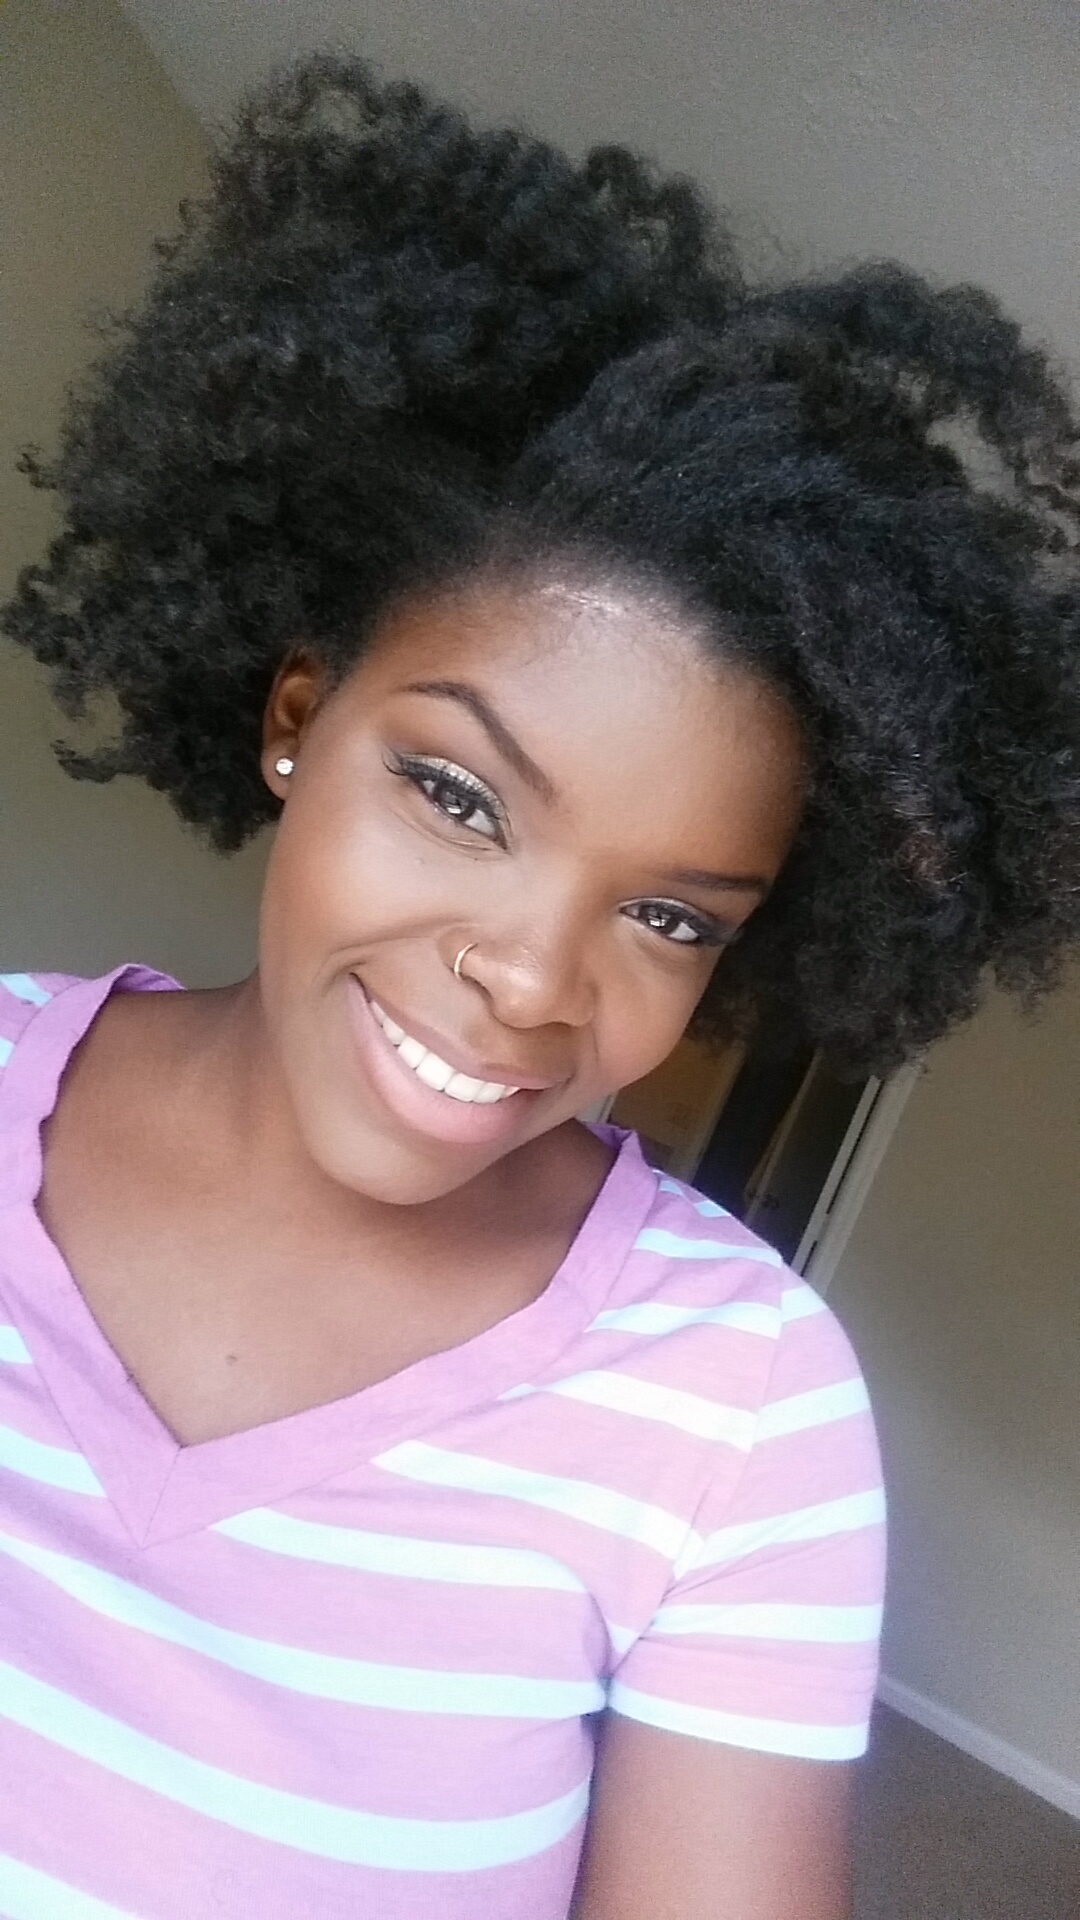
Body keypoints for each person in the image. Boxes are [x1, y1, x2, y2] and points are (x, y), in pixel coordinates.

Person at [1, 52, 1078, 1920]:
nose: (524, 980)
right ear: (296, 716)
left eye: (669, 915)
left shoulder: (740, 1403)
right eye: (458, 795)